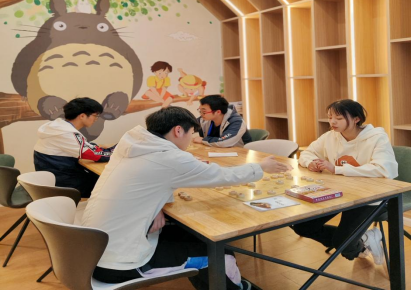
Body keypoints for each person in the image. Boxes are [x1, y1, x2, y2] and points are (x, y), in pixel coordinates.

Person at [81, 106, 292, 289]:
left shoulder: (133, 147)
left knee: (193, 236)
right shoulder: (168, 157)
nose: (191, 140)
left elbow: (146, 182)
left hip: (93, 251)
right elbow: (221, 175)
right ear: (178, 130)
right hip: (119, 263)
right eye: (191, 133)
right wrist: (260, 167)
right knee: (222, 255)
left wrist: (158, 207)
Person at [292, 99, 398, 265]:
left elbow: (384, 169)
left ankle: (351, 242)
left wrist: (337, 169)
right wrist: (310, 162)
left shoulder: (377, 138)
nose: (333, 122)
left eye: (339, 118)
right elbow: (307, 153)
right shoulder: (330, 136)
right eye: (330, 117)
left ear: (356, 119)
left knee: (344, 244)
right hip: (339, 192)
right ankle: (362, 240)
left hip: (371, 197)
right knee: (303, 226)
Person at [33, 97, 114, 197]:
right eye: (95, 115)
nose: (96, 119)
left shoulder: (56, 127)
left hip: (52, 178)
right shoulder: (67, 133)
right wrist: (118, 149)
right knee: (109, 183)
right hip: (64, 183)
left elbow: (85, 146)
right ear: (82, 116)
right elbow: (96, 155)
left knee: (100, 177)